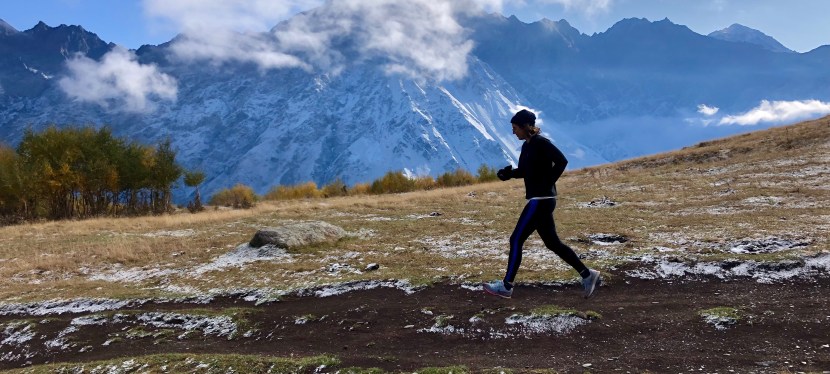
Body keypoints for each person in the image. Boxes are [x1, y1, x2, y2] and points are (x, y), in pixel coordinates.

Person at [483, 109, 601, 299]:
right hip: (540, 200)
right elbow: (525, 171)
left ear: (525, 127)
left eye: (515, 128)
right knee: (553, 243)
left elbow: (562, 161)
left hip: (541, 200)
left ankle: (506, 286)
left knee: (516, 239)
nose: (513, 132)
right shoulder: (527, 146)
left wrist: (548, 183)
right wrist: (508, 174)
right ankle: (588, 275)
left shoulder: (541, 143)